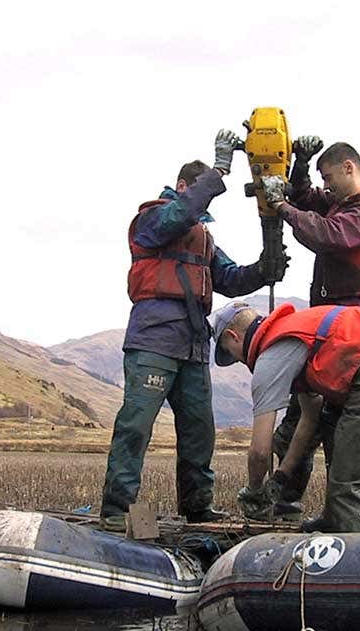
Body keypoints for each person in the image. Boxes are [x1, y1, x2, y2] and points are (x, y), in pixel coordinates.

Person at [99, 130, 281, 530]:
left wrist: (267, 266)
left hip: (194, 346)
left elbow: (230, 278)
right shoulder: (151, 219)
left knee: (200, 432)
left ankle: (197, 507)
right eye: (198, 200)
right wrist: (218, 172)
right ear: (183, 188)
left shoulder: (204, 239)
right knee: (136, 426)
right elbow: (179, 216)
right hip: (154, 340)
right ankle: (116, 509)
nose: (201, 216)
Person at [242, 138, 360, 521]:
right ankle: (285, 504)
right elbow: (308, 200)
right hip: (331, 324)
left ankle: (340, 516)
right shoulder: (342, 204)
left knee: (338, 427)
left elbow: (328, 234)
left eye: (328, 177)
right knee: (301, 420)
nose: (325, 187)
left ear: (350, 168)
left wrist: (281, 207)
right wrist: (300, 163)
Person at [211, 300, 360, 533]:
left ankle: (357, 554)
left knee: (352, 493)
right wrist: (281, 477)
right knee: (341, 449)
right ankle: (335, 523)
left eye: (230, 352)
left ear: (233, 336)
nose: (237, 360)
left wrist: (255, 493)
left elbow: (259, 452)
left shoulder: (269, 358)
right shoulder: (293, 332)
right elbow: (310, 417)